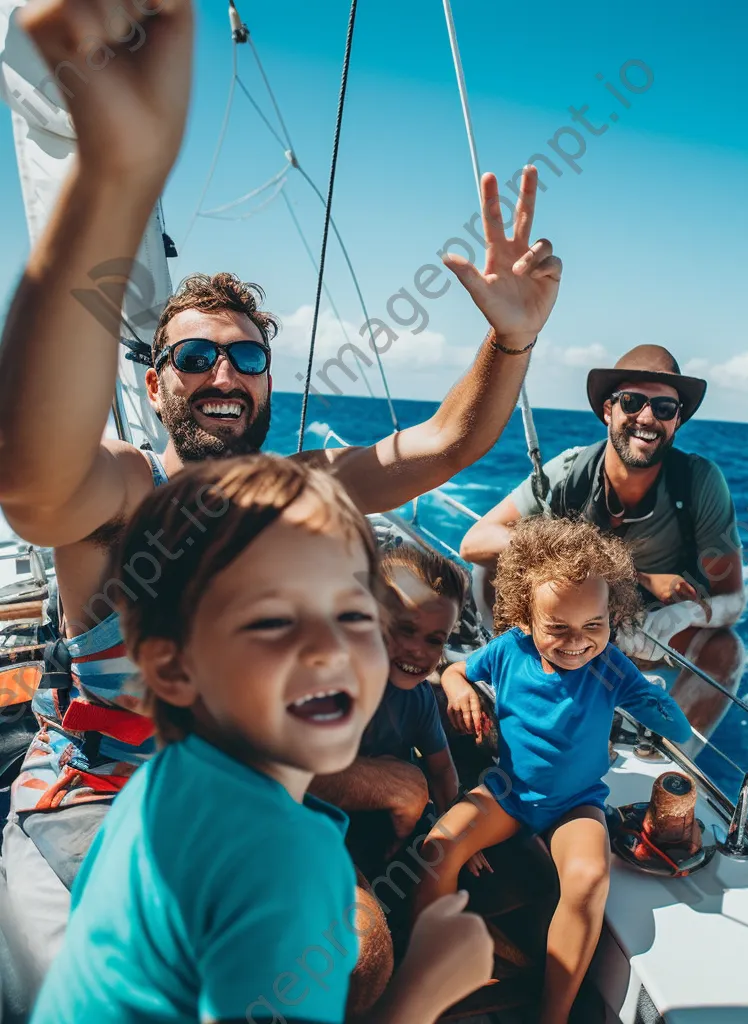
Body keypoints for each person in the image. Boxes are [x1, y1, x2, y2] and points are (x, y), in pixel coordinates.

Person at [0, 0, 561, 981]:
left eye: (245, 356)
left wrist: (511, 338)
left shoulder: (299, 487)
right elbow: (33, 484)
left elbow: (446, 441)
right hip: (99, 796)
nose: (223, 375)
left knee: (363, 951)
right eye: (196, 356)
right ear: (153, 380)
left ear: (270, 375)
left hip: (241, 789)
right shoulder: (127, 490)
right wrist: (114, 174)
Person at [28, 454, 494, 1024]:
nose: (332, 650)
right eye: (274, 620)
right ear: (173, 670)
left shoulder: (161, 789)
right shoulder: (286, 855)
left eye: (353, 615)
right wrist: (426, 985)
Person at [416, 517, 692, 1024]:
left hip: (576, 804)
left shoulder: (610, 665)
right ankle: (422, 977)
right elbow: (457, 669)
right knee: (438, 851)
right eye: (557, 628)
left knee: (588, 879)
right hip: (507, 792)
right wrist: (458, 689)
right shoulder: (506, 650)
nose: (577, 642)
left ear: (613, 615)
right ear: (524, 618)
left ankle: (554, 1014)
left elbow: (677, 728)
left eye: (594, 625)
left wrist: (650, 695)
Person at [459, 344, 745, 747]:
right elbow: (474, 543)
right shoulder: (570, 470)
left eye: (664, 408)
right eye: (632, 402)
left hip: (646, 633)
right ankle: (515, 678)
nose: (647, 417)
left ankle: (664, 758)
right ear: (608, 410)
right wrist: (633, 574)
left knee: (726, 650)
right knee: (491, 566)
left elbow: (733, 599)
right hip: (570, 621)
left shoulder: (700, 482)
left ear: (677, 420)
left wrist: (678, 615)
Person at [311, 545, 490, 941]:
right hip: (326, 823)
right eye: (404, 630)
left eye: (434, 640)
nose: (417, 650)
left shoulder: (418, 699)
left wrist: (457, 826)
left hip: (389, 824)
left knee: (458, 871)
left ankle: (414, 941)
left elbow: (441, 767)